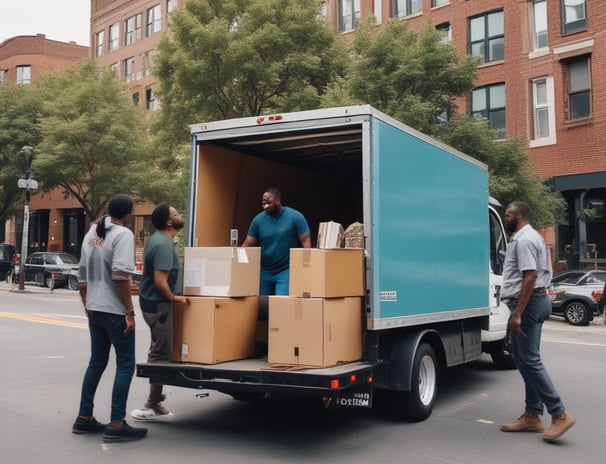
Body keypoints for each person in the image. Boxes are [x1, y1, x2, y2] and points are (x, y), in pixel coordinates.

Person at [72, 194, 148, 443]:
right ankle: (117, 423)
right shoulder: (123, 234)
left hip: (95, 308)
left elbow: (82, 280)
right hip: (115, 311)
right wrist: (129, 311)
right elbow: (119, 276)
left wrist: (88, 309)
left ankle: (84, 417)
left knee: (96, 363)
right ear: (128, 214)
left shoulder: (92, 233)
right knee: (125, 365)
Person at [499, 201, 575, 442]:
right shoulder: (531, 237)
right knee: (524, 359)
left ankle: (559, 413)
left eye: (508, 215)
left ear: (518, 216)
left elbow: (530, 275)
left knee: (529, 360)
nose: (505, 218)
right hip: (533, 302)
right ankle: (532, 415)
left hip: (529, 305)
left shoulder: (523, 240)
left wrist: (518, 313)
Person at [131, 203, 189, 420]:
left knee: (160, 350)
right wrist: (174, 298)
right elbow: (160, 281)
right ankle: (151, 404)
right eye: (176, 213)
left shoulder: (158, 240)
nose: (179, 215)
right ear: (169, 221)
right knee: (160, 353)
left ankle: (155, 401)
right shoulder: (163, 244)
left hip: (153, 304)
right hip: (159, 305)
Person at [241, 187, 311, 296]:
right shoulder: (258, 220)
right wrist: (236, 262)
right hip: (264, 270)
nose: (266, 206)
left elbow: (305, 240)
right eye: (263, 203)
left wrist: (307, 265)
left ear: (278, 201)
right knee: (261, 305)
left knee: (281, 303)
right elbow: (248, 243)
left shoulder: (295, 217)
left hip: (285, 270)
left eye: (269, 203)